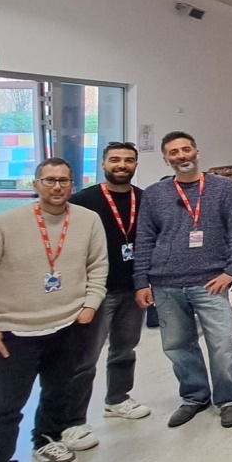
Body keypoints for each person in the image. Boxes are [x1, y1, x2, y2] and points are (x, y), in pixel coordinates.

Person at [0, 158, 108, 462]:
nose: (57, 187)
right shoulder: (2, 225)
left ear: (72, 185)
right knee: (5, 404)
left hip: (68, 326)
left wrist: (90, 305)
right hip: (14, 331)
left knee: (59, 392)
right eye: (50, 180)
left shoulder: (88, 220)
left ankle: (47, 441)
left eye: (64, 181)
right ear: (36, 184)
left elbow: (98, 267)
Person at [134, 131, 232, 429]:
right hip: (165, 283)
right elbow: (144, 239)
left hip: (210, 280)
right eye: (174, 152)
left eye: (186, 150)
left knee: (222, 344)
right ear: (166, 159)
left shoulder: (222, 188)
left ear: (197, 152)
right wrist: (141, 282)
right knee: (177, 345)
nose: (181, 156)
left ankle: (228, 399)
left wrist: (231, 270)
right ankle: (194, 397)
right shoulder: (155, 194)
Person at [67, 143, 152, 436]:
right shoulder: (83, 201)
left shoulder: (144, 199)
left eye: (129, 160)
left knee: (124, 349)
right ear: (103, 164)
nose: (122, 165)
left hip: (132, 287)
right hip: (95, 291)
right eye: (115, 160)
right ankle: (73, 420)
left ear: (135, 165)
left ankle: (117, 399)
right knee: (85, 359)